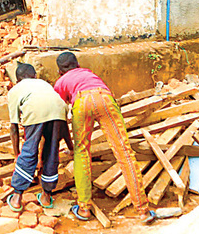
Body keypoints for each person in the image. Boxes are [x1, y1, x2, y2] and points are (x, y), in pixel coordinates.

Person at [54, 51, 155, 225]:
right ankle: (143, 210)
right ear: (77, 64)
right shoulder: (89, 73)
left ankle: (84, 208)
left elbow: (58, 112)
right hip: (104, 98)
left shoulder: (61, 82)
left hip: (81, 102)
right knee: (124, 152)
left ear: (59, 71)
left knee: (82, 153)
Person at [6, 63, 73, 212]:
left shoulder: (15, 90)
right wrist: (71, 147)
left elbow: (14, 127)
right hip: (59, 108)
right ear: (35, 76)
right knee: (52, 151)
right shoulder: (44, 84)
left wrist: (17, 153)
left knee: (29, 150)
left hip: (34, 109)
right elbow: (64, 129)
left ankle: (17, 198)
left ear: (17, 81)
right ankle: (46, 196)